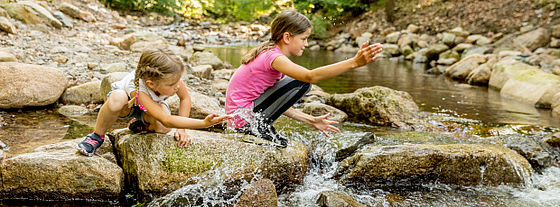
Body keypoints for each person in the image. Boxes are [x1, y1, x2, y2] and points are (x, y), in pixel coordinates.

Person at [225, 10, 383, 148]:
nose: (306, 44)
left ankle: (258, 127)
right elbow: (310, 76)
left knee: (297, 84)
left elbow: (276, 102)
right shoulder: (273, 57)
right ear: (287, 37)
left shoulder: (271, 54)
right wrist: (354, 62)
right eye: (303, 38)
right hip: (244, 120)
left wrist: (311, 120)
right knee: (302, 82)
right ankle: (256, 128)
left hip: (241, 118)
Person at [78, 48, 230, 156]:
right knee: (118, 98)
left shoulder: (172, 79)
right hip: (128, 106)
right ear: (151, 84)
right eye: (172, 85)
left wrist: (182, 130)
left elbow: (185, 98)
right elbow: (167, 119)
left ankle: (142, 125)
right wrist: (203, 124)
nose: (177, 86)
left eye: (178, 81)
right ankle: (96, 136)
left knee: (163, 128)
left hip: (149, 108)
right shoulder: (137, 87)